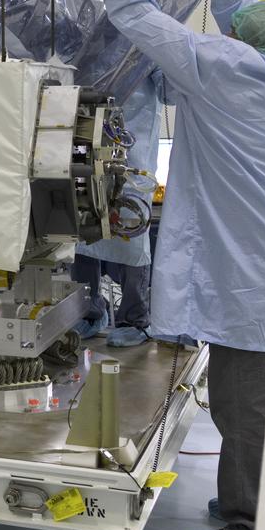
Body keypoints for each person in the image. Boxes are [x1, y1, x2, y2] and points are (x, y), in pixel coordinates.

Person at [60, 0, 265, 530]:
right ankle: (264, 492)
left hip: (248, 281)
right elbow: (249, 15)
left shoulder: (220, 73)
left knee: (246, 404)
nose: (230, 28)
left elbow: (144, 20)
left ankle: (249, 522)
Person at [71, 68, 164, 347]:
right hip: (86, 132)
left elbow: (168, 89)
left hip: (132, 144)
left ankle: (136, 319)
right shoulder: (86, 35)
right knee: (83, 223)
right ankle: (88, 311)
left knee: (130, 230)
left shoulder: (146, 41)